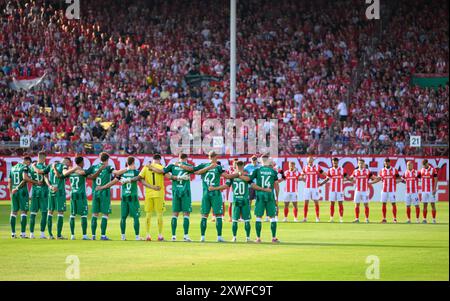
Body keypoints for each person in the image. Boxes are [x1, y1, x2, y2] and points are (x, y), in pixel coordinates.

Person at [178, 151, 240, 242]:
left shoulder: (203, 165)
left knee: (204, 215)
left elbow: (195, 171)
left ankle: (202, 237)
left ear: (209, 157)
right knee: (218, 215)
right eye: (216, 157)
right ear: (215, 157)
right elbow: (227, 176)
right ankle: (219, 237)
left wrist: (180, 165)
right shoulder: (218, 167)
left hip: (205, 193)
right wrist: (238, 174)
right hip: (215, 193)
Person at [96, 156, 159, 240]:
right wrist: (153, 187)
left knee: (123, 218)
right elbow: (143, 182)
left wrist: (102, 187)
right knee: (136, 217)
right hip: (133, 198)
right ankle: (137, 237)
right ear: (133, 162)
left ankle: (123, 236)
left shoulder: (122, 173)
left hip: (124, 198)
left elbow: (112, 183)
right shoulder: (136, 172)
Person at [209, 161, 271, 242]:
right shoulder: (246, 176)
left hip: (236, 200)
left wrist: (214, 188)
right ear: (243, 166)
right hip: (245, 200)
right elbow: (253, 185)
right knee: (247, 220)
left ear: (236, 166)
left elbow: (226, 186)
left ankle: (234, 237)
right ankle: (248, 238)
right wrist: (264, 189)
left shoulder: (232, 177)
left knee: (234, 220)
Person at [147, 153, 194, 242]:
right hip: (185, 192)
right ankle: (186, 236)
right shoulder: (188, 166)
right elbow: (194, 170)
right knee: (186, 214)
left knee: (175, 214)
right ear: (186, 158)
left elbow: (162, 172)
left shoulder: (172, 165)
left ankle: (173, 236)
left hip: (176, 192)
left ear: (179, 157)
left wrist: (151, 167)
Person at [90, 152, 127, 240]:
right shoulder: (108, 167)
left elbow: (89, 176)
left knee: (95, 214)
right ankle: (103, 235)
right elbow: (117, 172)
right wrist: (128, 168)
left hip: (95, 192)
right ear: (107, 159)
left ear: (100, 159)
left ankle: (93, 236)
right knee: (105, 214)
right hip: (104, 192)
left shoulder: (94, 167)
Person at [68, 156, 105, 240]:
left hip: (73, 194)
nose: (84, 163)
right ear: (81, 162)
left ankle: (72, 235)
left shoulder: (71, 172)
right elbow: (92, 177)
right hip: (81, 196)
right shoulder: (82, 172)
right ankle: (84, 235)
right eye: (83, 162)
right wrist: (100, 170)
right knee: (83, 215)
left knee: (72, 215)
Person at [44, 158, 81, 239]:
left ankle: (50, 235)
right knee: (60, 212)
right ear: (66, 161)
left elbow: (44, 174)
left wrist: (50, 186)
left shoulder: (50, 165)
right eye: (68, 163)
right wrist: (55, 168)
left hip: (51, 191)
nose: (68, 165)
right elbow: (59, 176)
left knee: (50, 212)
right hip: (59, 192)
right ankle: (59, 235)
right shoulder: (63, 166)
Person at [249, 155, 281, 243]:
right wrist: (277, 198)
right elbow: (276, 185)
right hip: (270, 195)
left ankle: (258, 238)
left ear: (261, 161)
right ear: (268, 161)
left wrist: (254, 186)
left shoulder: (257, 170)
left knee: (258, 217)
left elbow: (249, 180)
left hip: (259, 195)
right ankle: (274, 237)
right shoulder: (273, 171)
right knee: (272, 217)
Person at [9, 156, 41, 239]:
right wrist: (36, 182)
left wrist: (11, 192)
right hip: (22, 191)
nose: (29, 165)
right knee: (24, 212)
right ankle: (23, 234)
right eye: (29, 163)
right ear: (27, 161)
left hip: (14, 191)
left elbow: (10, 181)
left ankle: (13, 233)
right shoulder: (25, 167)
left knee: (13, 212)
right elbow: (25, 178)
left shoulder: (12, 168)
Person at [139, 154, 166, 241]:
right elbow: (164, 173)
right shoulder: (161, 167)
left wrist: (150, 186)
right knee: (159, 214)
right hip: (159, 193)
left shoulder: (146, 167)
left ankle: (147, 235)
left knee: (148, 214)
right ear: (159, 159)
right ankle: (160, 235)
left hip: (148, 194)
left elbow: (140, 178)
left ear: (153, 159)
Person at [370, 158, 402, 223]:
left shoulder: (394, 170)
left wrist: (395, 182)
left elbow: (399, 179)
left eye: (387, 162)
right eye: (385, 162)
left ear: (390, 163)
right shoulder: (382, 171)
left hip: (391, 190)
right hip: (384, 190)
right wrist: (370, 183)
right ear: (384, 163)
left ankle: (395, 219)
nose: (386, 163)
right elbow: (378, 179)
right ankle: (384, 219)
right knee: (384, 204)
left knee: (393, 204)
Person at [319, 158, 350, 223]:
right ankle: (331, 218)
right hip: (332, 190)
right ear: (332, 163)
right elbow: (327, 178)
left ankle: (341, 218)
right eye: (333, 162)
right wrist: (321, 184)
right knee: (332, 204)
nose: (334, 163)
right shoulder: (330, 170)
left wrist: (351, 179)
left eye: (335, 162)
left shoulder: (342, 169)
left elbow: (347, 177)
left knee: (340, 204)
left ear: (338, 162)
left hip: (340, 190)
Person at [28, 152, 50, 239]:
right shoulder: (45, 167)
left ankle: (31, 234)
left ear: (38, 157)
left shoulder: (31, 167)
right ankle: (42, 234)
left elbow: (27, 178)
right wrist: (50, 185)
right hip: (43, 192)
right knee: (44, 213)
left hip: (34, 192)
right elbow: (46, 178)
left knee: (33, 213)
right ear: (44, 158)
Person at [300, 156, 325, 222]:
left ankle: (317, 217)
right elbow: (301, 175)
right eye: (309, 161)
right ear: (307, 161)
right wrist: (305, 180)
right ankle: (305, 218)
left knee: (316, 202)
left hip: (315, 188)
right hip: (307, 188)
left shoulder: (317, 167)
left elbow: (324, 173)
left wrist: (328, 176)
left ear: (313, 161)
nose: (310, 162)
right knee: (306, 202)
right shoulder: (305, 168)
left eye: (311, 161)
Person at [419, 159, 438, 223]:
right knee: (425, 205)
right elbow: (417, 177)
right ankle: (424, 219)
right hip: (424, 190)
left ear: (428, 163)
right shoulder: (421, 170)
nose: (424, 166)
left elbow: (435, 180)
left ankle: (434, 219)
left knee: (432, 204)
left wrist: (435, 189)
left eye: (425, 164)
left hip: (431, 190)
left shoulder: (433, 170)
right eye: (423, 165)